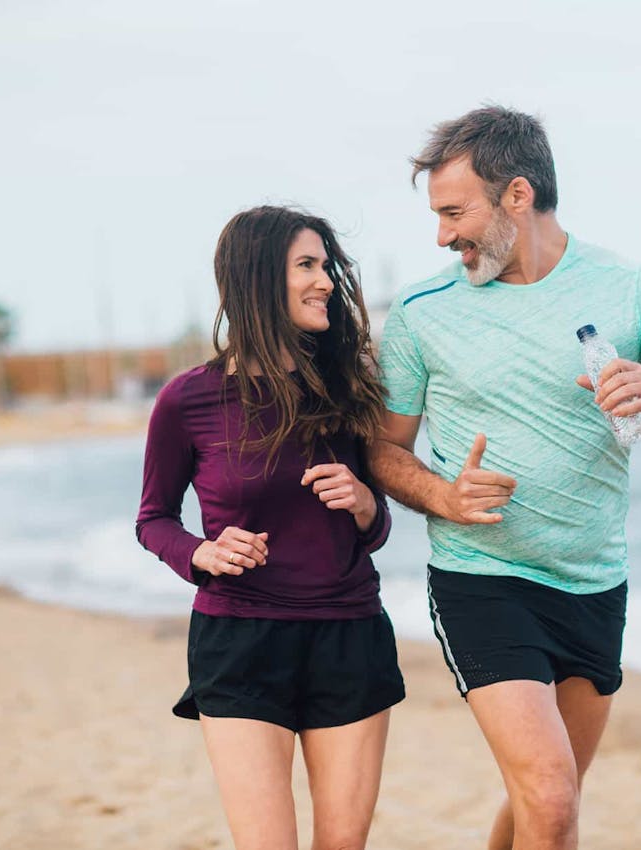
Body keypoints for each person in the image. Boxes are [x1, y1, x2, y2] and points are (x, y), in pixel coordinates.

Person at [369, 106, 641, 850]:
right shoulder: (420, 312)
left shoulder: (633, 290)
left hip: (593, 580)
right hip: (483, 578)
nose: (443, 235)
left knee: (547, 798)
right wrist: (443, 495)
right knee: (551, 793)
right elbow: (381, 452)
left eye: (453, 212)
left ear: (516, 194)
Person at [136, 205, 404, 850]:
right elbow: (153, 520)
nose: (325, 282)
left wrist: (366, 504)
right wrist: (203, 554)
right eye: (306, 266)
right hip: (239, 641)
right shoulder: (189, 399)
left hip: (348, 636)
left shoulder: (351, 388)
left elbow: (373, 529)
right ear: (258, 278)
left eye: (326, 266)